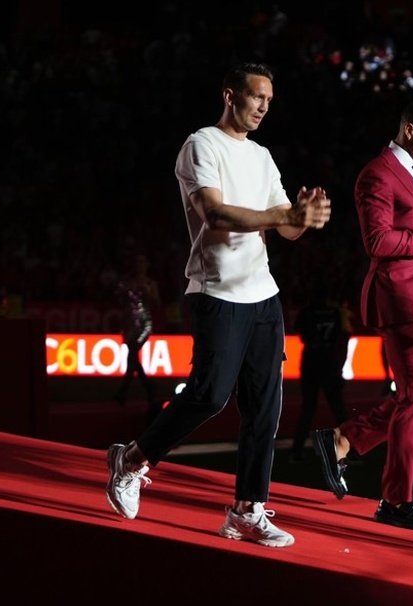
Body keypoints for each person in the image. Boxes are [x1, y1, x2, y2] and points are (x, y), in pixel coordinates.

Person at [104, 62, 332, 548]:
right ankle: (133, 459)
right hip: (216, 291)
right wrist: (281, 215)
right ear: (230, 94)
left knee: (265, 408)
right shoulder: (200, 145)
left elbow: (285, 228)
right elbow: (215, 213)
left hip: (263, 293)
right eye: (256, 97)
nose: (264, 106)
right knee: (209, 394)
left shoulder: (263, 156)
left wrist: (303, 220)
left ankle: (247, 510)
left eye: (270, 100)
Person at [311, 100, 413, 532]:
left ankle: (344, 440)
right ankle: (395, 500)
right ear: (408, 130)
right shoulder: (377, 174)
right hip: (400, 303)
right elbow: (379, 242)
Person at [289, 276, 351, 463]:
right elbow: (343, 337)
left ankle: (297, 451)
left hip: (311, 364)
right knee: (339, 410)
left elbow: (298, 331)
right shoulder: (335, 313)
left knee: (308, 408)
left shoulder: (306, 313)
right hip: (330, 364)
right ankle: (351, 449)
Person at [113, 253, 161, 409]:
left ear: (146, 265)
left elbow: (157, 303)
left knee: (132, 353)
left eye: (142, 262)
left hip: (144, 323)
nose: (139, 265)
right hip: (128, 324)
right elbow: (118, 300)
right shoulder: (127, 283)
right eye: (137, 262)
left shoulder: (150, 283)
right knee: (133, 357)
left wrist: (148, 293)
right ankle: (149, 389)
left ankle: (123, 390)